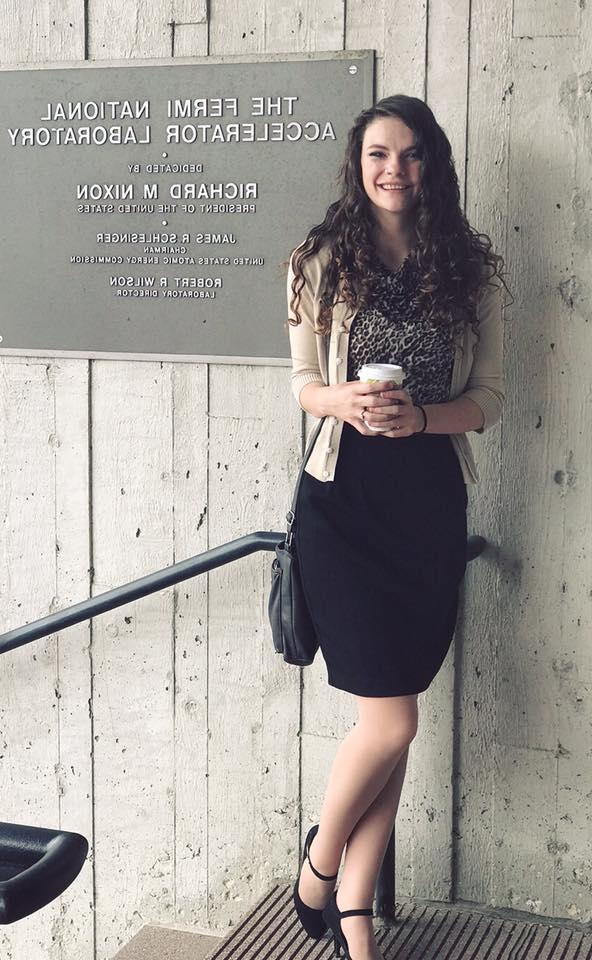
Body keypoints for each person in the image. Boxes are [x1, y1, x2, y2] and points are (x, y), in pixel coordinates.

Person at [285, 95, 512, 960]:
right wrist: (341, 400)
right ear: (358, 162)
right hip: (341, 508)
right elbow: (303, 379)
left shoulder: (469, 270)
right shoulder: (318, 258)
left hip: (425, 506)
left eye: (412, 155)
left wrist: (422, 421)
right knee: (393, 724)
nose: (394, 169)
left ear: (434, 167)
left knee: (396, 714)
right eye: (379, 153)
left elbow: (488, 400)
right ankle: (320, 874)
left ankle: (347, 908)